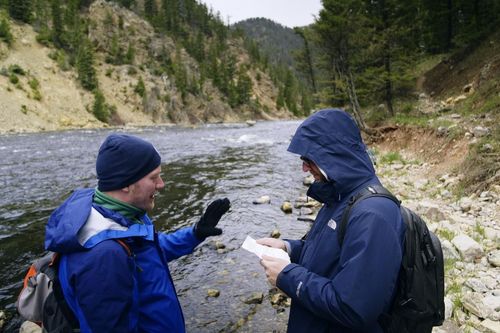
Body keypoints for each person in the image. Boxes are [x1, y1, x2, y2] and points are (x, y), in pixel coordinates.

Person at [44, 133, 230, 332]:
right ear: (126, 184)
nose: (161, 184)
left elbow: (149, 249)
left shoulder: (120, 212)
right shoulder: (104, 256)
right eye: (153, 177)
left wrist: (195, 234)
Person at [257, 109, 405, 332]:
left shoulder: (373, 215)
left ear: (333, 156)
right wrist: (288, 248)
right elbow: (330, 254)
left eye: (309, 159)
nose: (304, 168)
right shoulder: (340, 196)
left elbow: (354, 308)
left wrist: (286, 276)